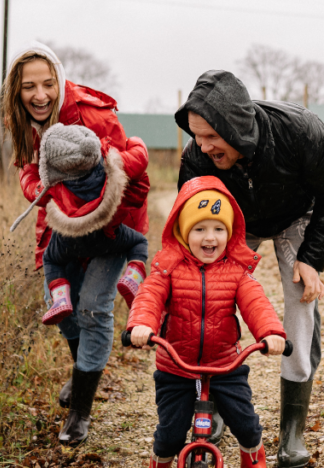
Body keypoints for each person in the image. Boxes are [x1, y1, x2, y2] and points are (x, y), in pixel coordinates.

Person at [175, 70, 324, 467]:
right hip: (234, 221)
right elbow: (188, 219)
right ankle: (213, 399)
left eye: (210, 137)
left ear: (234, 126)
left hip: (296, 215)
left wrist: (312, 259)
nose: (201, 147)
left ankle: (293, 432)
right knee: (211, 294)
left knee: (300, 301)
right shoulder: (196, 159)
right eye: (196, 136)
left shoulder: (300, 132)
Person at [1, 41, 150, 443]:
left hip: (111, 227)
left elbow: (132, 173)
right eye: (29, 86)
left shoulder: (88, 114)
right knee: (61, 306)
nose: (40, 95)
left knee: (93, 308)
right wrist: (41, 190)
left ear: (60, 81)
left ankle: (80, 414)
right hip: (61, 225)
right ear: (16, 91)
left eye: (48, 83)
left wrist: (101, 221)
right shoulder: (22, 121)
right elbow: (26, 170)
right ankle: (81, 372)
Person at [127, 176, 286, 468]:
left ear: (230, 233)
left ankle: (254, 459)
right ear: (184, 232)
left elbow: (256, 303)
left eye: (218, 229)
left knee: (247, 425)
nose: (209, 238)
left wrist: (271, 333)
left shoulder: (237, 272)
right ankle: (160, 462)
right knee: (169, 436)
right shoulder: (169, 268)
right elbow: (149, 295)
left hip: (225, 366)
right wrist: (142, 325)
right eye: (199, 229)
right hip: (176, 367)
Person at [9, 123, 149, 326]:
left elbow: (31, 190)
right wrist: (133, 142)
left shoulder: (53, 185)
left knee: (51, 259)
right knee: (139, 242)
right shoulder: (109, 169)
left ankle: (60, 298)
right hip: (106, 236)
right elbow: (140, 162)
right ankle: (133, 277)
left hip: (68, 240)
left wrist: (27, 166)